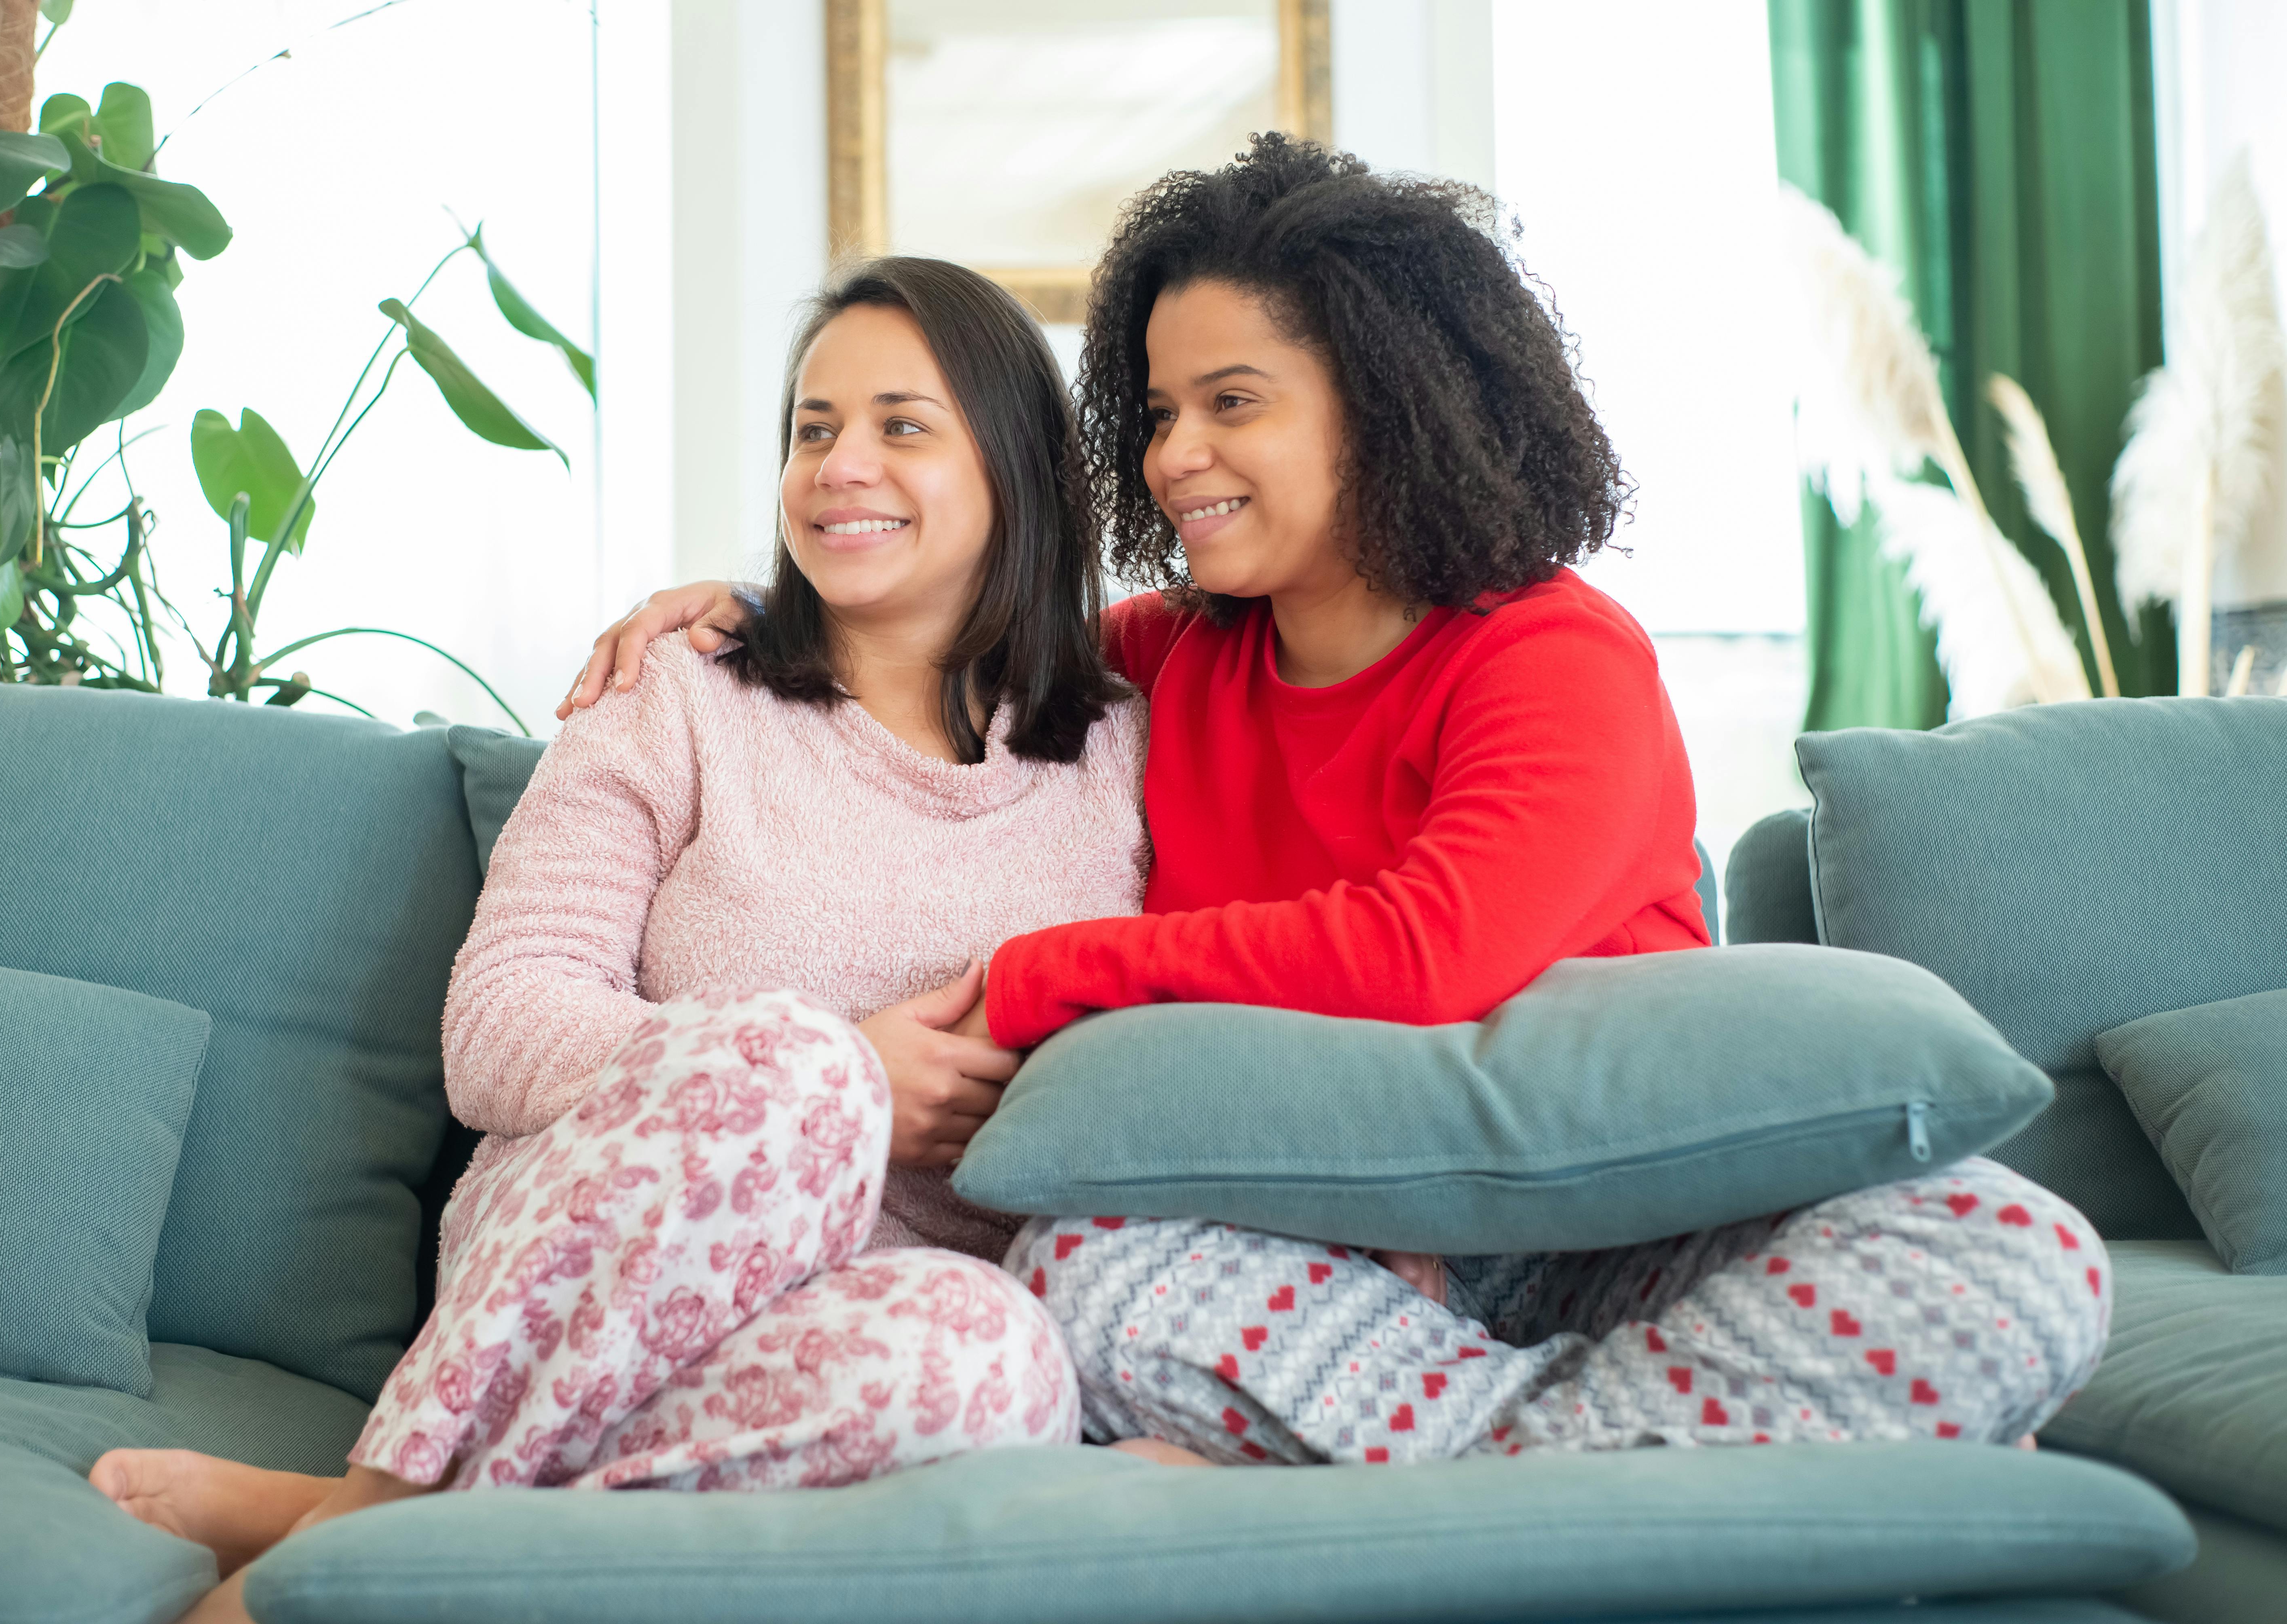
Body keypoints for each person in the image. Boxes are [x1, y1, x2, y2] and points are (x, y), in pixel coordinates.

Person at [568, 135, 2111, 1470]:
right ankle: (1644, 1454)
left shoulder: (1556, 654)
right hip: (1325, 1258)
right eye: (1160, 412)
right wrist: (747, 616)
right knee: (1081, 1281)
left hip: (1612, 1231)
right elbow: (946, 652)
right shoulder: (1161, 667)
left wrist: (1051, 977)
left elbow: (1429, 955)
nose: (1176, 459)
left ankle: (1421, 1461)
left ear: (1384, 402)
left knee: (2012, 1261)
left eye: (1232, 403)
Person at [89, 256, 1146, 1619]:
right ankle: (357, 1543)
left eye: (901, 426)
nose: (838, 466)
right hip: (589, 1263)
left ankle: (376, 1531)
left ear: (1018, 465)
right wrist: (832, 1082)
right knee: (806, 1072)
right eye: (813, 430)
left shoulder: (1126, 741)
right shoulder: (680, 693)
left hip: (865, 1304)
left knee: (1002, 1361)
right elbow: (498, 1026)